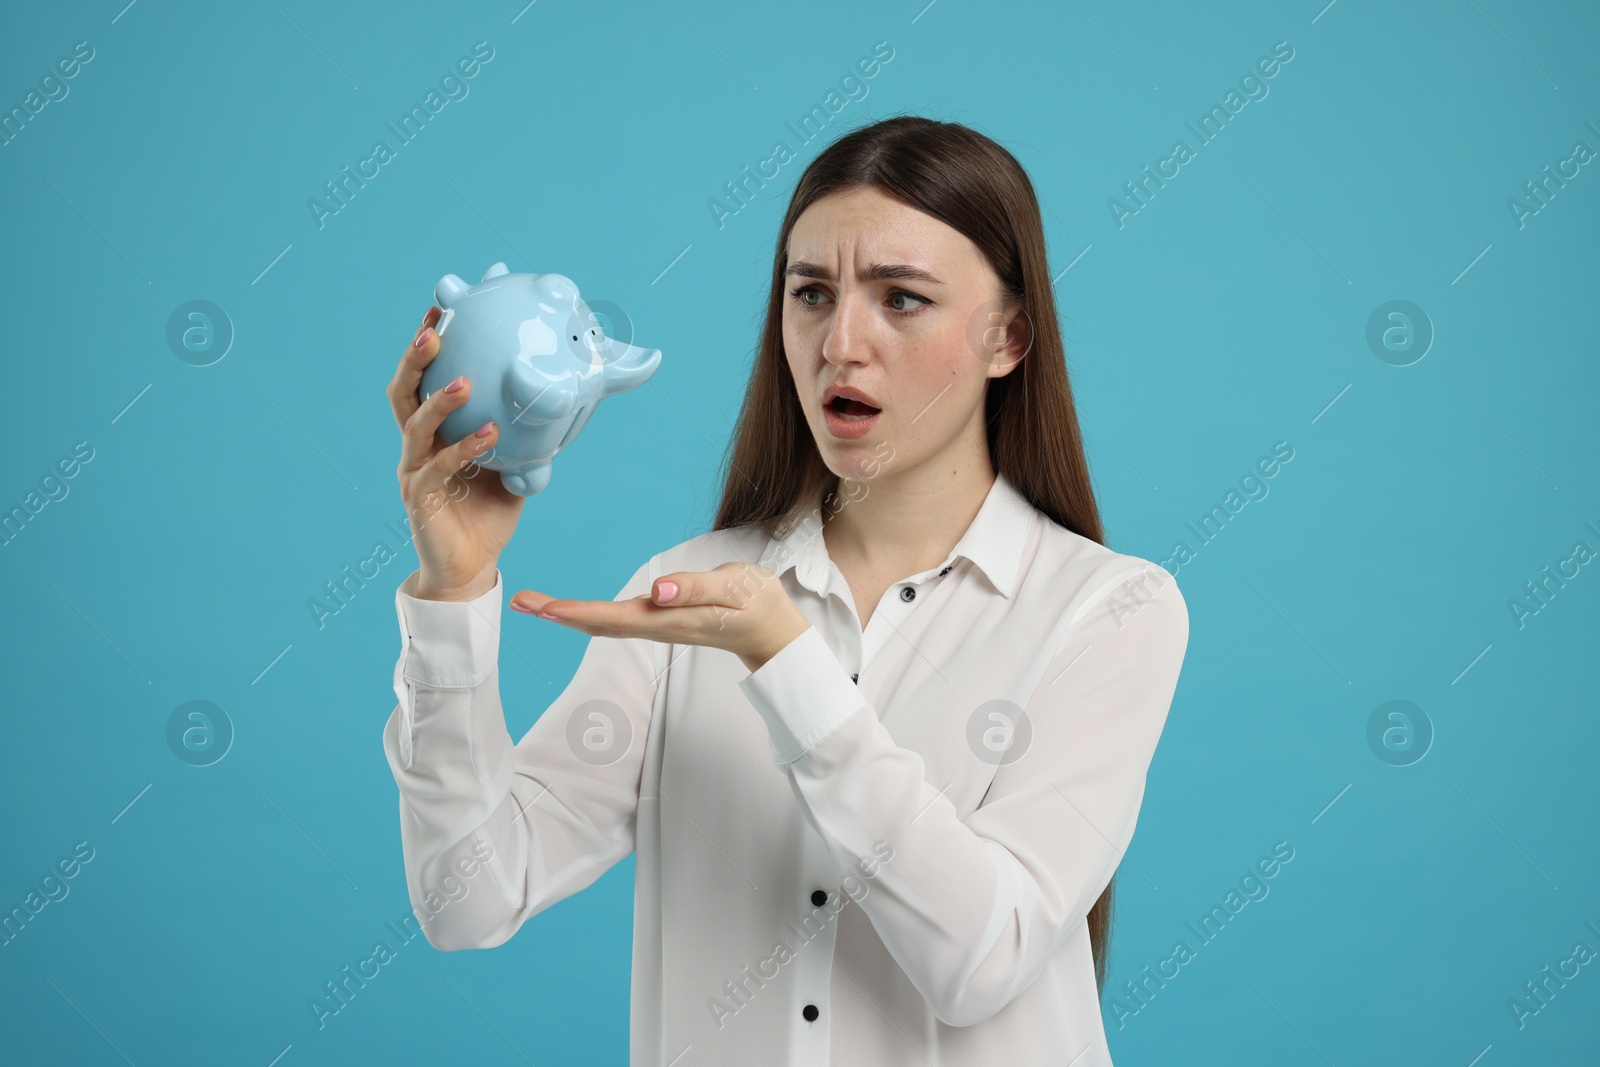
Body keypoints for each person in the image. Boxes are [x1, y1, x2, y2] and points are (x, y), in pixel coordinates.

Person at [382, 115, 1189, 1067]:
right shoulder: (683, 591)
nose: (841, 341)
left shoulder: (1111, 608)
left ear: (1008, 337)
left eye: (902, 298)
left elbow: (984, 957)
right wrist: (456, 589)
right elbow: (463, 899)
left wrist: (787, 665)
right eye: (811, 293)